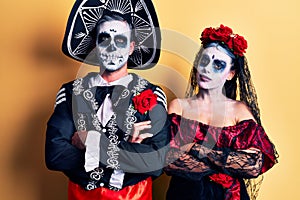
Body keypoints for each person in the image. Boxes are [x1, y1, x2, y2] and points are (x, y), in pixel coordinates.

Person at [45, 0, 169, 199]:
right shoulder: (71, 92)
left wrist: (90, 141)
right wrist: (130, 149)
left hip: (133, 196)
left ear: (131, 47)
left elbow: (156, 163)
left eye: (120, 41)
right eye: (104, 39)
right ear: (95, 45)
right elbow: (55, 155)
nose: (112, 48)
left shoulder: (152, 94)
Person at [164, 24, 278, 200]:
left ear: (231, 74)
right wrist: (230, 160)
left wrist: (195, 148)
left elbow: (253, 164)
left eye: (218, 65)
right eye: (204, 61)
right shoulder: (179, 106)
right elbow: (170, 161)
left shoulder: (239, 110)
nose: (207, 69)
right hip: (186, 195)